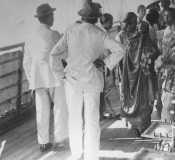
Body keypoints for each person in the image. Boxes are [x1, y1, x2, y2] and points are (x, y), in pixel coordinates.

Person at [49, 2, 125, 160]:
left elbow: (54, 55)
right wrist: (105, 63)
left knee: (74, 119)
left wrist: (61, 74)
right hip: (92, 80)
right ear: (96, 18)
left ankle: (76, 154)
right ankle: (92, 156)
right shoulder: (100, 33)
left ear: (82, 16)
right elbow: (120, 50)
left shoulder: (70, 30)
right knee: (92, 121)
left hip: (72, 80)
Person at [23, 3, 68, 152]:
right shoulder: (54, 34)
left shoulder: (29, 36)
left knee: (42, 111)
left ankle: (43, 142)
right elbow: (64, 54)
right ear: (47, 17)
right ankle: (60, 139)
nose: (53, 17)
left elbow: (27, 61)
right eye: (52, 15)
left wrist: (31, 80)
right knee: (60, 108)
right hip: (54, 76)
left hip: (38, 79)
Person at [121, 21, 159, 136]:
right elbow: (155, 57)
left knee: (133, 98)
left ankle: (134, 126)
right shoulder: (149, 43)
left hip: (131, 79)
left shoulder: (130, 43)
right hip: (144, 79)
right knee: (144, 101)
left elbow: (125, 62)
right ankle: (143, 127)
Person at [99, 13, 122, 118]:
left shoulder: (101, 33)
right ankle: (115, 111)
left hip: (106, 64)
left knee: (108, 88)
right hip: (107, 64)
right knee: (110, 87)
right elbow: (105, 52)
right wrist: (108, 67)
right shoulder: (104, 34)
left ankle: (109, 111)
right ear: (107, 22)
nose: (112, 23)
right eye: (111, 21)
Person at [115, 12, 138, 98]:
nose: (137, 23)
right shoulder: (121, 35)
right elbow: (118, 54)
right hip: (125, 67)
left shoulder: (138, 34)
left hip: (136, 67)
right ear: (129, 22)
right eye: (135, 21)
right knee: (126, 89)